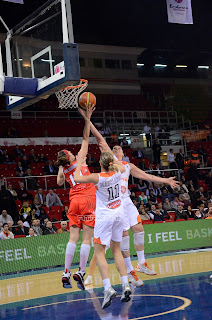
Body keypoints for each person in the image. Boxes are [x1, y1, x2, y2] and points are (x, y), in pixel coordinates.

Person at [81, 114, 180, 285]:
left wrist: (166, 180)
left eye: (119, 148)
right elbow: (99, 139)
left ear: (123, 152)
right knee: (124, 236)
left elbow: (148, 176)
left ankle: (141, 263)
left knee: (139, 228)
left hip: (126, 200)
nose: (117, 149)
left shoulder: (128, 166)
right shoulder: (110, 162)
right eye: (114, 148)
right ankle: (129, 271)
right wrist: (88, 121)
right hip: (113, 204)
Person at [74, 150, 131, 308]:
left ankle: (108, 288)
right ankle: (125, 284)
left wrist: (79, 162)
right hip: (119, 213)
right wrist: (113, 157)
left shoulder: (97, 177)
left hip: (105, 217)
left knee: (99, 252)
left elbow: (77, 178)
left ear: (100, 164)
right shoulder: (119, 171)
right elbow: (118, 164)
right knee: (116, 250)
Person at [55, 105, 96, 291]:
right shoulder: (80, 158)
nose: (71, 151)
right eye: (68, 152)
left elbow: (58, 182)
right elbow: (86, 137)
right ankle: (80, 270)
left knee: (73, 238)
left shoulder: (63, 168)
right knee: (87, 239)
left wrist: (61, 166)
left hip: (73, 201)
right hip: (87, 199)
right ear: (69, 156)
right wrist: (87, 118)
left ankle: (65, 272)